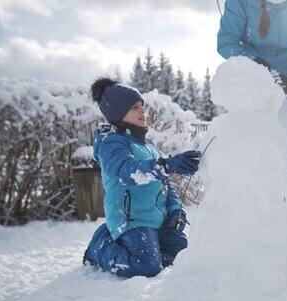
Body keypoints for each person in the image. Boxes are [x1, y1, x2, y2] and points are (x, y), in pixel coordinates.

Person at [217, 0, 287, 243]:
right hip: (251, 89)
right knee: (248, 158)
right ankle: (245, 230)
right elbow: (226, 42)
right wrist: (258, 66)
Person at [82, 77, 201, 278]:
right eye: (135, 108)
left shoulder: (148, 145)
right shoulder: (111, 144)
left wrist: (175, 211)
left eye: (142, 106)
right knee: (147, 266)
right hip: (132, 222)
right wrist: (167, 164)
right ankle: (99, 246)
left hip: (158, 222)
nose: (143, 111)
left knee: (184, 258)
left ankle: (152, 244)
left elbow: (165, 184)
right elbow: (129, 172)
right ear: (119, 113)